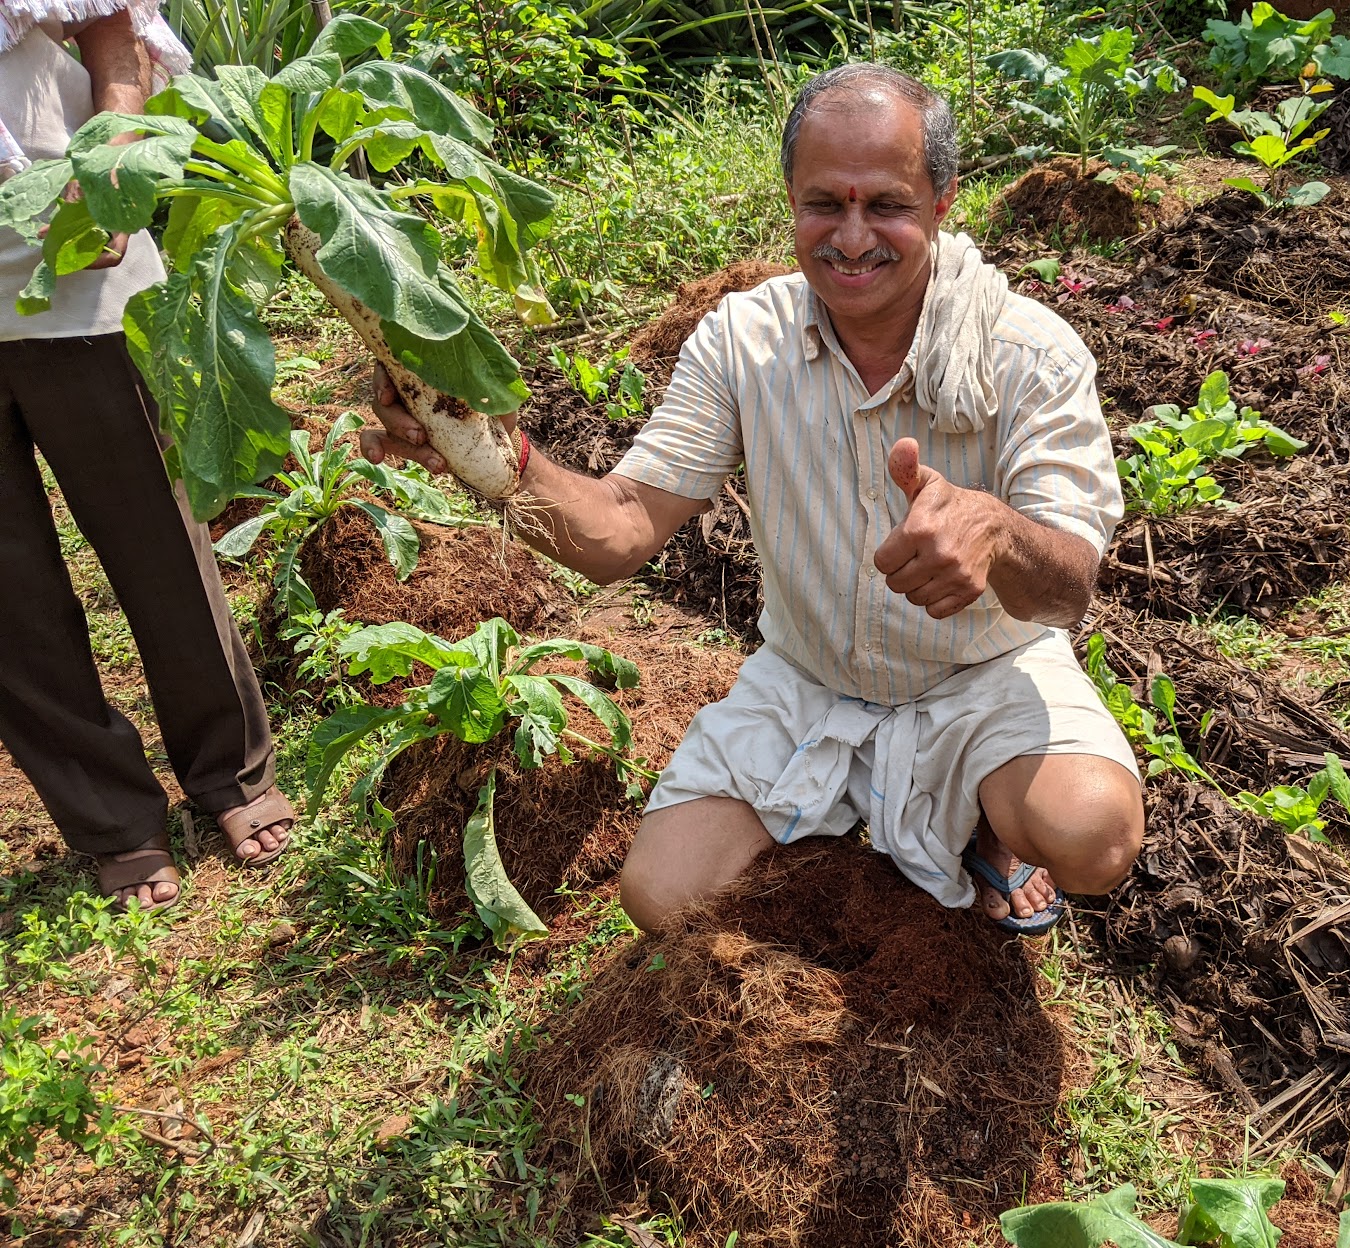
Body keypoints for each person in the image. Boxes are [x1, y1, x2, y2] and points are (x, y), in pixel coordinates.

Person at [364, 63, 1144, 935]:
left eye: (885, 203)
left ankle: (982, 825)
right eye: (824, 204)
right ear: (789, 199)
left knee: (1092, 834)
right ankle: (867, 811)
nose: (851, 238)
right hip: (811, 680)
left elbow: (1071, 586)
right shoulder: (745, 341)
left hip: (983, 674)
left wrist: (998, 533)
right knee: (662, 895)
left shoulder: (1027, 351)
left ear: (942, 200)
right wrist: (488, 454)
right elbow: (621, 531)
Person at [0, 1, 294, 910]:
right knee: (8, 599)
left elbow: (112, 26)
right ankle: (110, 821)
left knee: (156, 538)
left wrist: (110, 169)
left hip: (67, 248)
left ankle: (231, 771)